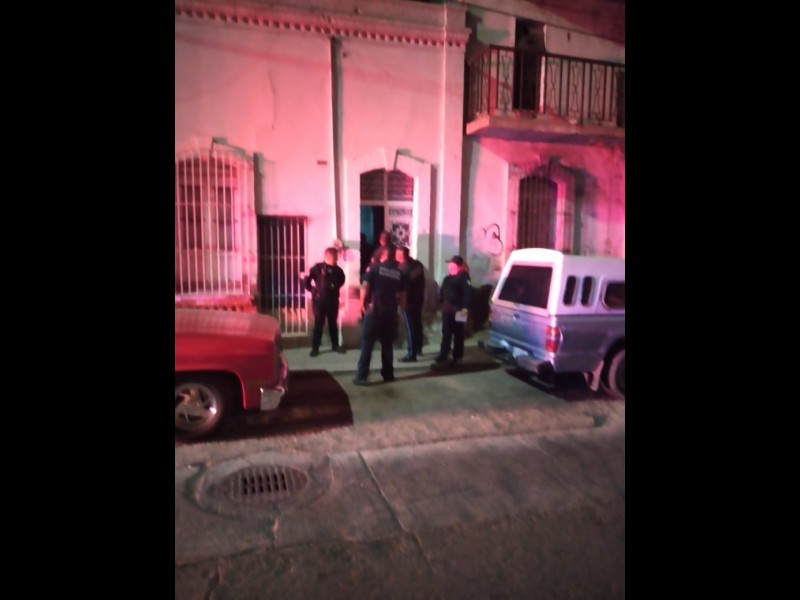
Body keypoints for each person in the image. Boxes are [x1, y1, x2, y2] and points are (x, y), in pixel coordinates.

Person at [354, 242, 408, 385]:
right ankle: (388, 374)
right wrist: (400, 311)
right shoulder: (400, 273)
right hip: (390, 312)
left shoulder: (375, 268)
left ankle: (362, 377)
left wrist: (361, 303)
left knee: (367, 344)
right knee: (387, 345)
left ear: (383, 255)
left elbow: (365, 286)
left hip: (375, 311)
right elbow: (403, 295)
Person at [304, 247, 346, 357]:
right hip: (320, 301)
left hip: (333, 300)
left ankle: (335, 346)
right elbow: (306, 281)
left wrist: (334, 287)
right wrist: (313, 290)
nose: (337, 259)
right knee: (318, 324)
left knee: (333, 324)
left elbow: (342, 281)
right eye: (336, 257)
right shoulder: (317, 268)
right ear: (331, 257)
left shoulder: (338, 270)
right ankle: (315, 348)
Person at [435, 255, 472, 366]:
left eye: (452, 265)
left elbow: (468, 293)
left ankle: (458, 356)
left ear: (459, 266)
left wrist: (466, 308)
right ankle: (444, 354)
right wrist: (440, 301)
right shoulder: (448, 278)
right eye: (449, 265)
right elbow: (442, 292)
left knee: (458, 333)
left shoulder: (464, 277)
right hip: (447, 309)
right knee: (446, 332)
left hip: (459, 310)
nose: (449, 267)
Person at [395, 245, 425, 362]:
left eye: (397, 254)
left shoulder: (402, 269)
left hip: (408, 302)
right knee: (417, 324)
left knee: (410, 328)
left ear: (401, 255)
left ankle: (411, 354)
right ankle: (418, 349)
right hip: (418, 299)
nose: (395, 255)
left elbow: (402, 288)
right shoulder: (417, 264)